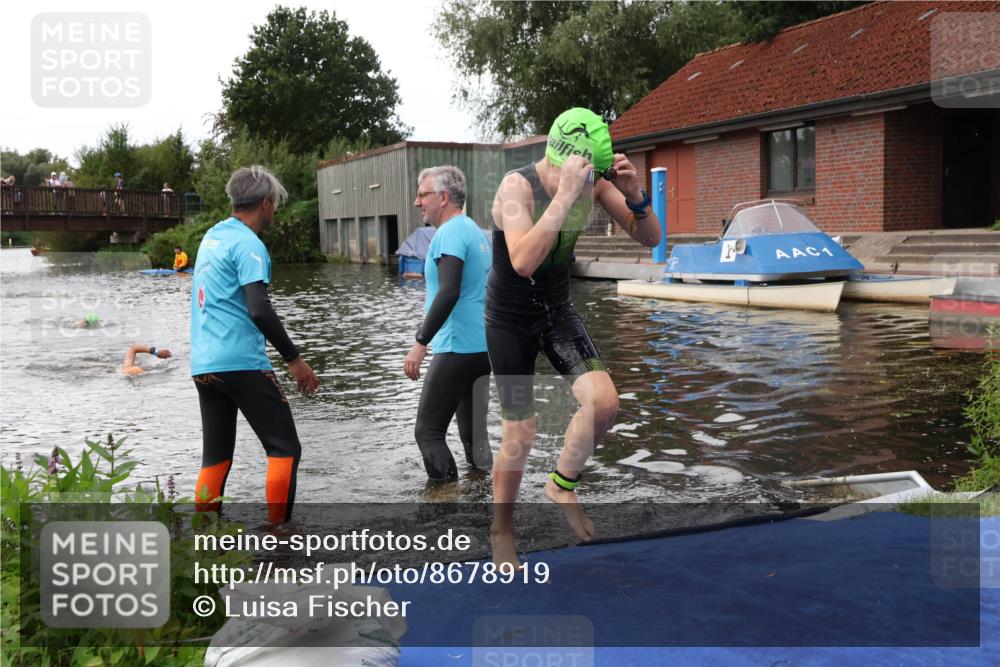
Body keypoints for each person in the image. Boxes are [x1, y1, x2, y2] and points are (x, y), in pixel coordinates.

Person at [486, 107, 661, 570]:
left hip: (556, 312)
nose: (590, 183)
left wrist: (636, 195)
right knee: (520, 432)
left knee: (604, 402)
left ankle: (561, 485)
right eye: (585, 174)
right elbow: (522, 261)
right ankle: (502, 530)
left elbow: (650, 239)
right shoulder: (516, 188)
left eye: (594, 176)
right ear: (563, 160)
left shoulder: (594, 185)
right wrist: (564, 197)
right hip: (509, 320)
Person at [190, 165, 319, 524]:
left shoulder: (211, 237)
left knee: (216, 457)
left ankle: (204, 536)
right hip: (241, 362)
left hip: (204, 363)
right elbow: (259, 309)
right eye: (274, 203)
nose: (274, 210)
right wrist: (295, 360)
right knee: (284, 449)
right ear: (265, 202)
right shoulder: (249, 244)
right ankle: (279, 538)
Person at [403, 166, 492, 481]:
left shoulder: (450, 232)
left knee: (428, 432)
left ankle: (445, 505)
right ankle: (485, 501)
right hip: (481, 349)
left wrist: (420, 341)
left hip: (455, 347)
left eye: (422, 194)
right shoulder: (475, 232)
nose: (417, 202)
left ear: (443, 197)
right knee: (475, 439)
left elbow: (449, 290)